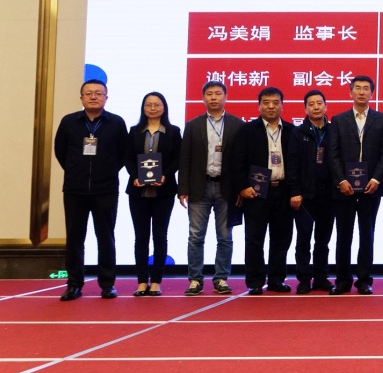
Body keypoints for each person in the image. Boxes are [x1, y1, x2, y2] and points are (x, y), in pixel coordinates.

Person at [53, 79, 131, 301]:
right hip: (75, 189)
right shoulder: (69, 122)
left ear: (106, 97)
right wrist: (75, 171)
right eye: (88, 93)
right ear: (81, 98)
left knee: (105, 237)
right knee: (75, 238)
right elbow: (60, 151)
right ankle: (74, 284)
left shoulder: (116, 122)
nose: (93, 97)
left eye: (98, 93)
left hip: (105, 189)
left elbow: (123, 154)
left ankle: (107, 284)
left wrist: (106, 171)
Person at [179, 80, 243, 296]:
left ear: (226, 97)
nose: (213, 97)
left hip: (227, 188)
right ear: (203, 98)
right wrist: (183, 188)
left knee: (225, 236)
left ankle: (221, 278)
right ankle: (195, 280)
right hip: (200, 187)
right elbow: (185, 159)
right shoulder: (193, 125)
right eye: (209, 94)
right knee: (195, 236)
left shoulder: (237, 124)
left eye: (218, 93)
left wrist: (240, 188)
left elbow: (242, 160)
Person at [329, 75, 383, 295]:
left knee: (367, 234)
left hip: (370, 188)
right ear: (350, 92)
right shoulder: (338, 120)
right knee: (343, 235)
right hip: (344, 188)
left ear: (372, 93)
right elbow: (333, 153)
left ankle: (364, 280)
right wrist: (341, 180)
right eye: (358, 88)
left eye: (366, 88)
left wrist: (376, 179)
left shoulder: (382, 119)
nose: (362, 92)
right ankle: (342, 280)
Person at [231, 87, 295, 295]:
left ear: (282, 105)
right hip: (256, 192)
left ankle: (276, 279)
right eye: (266, 102)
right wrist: (242, 187)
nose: (271, 106)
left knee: (281, 238)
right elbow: (237, 162)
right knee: (254, 238)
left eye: (275, 102)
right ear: (259, 105)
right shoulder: (248, 130)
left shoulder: (292, 131)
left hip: (283, 191)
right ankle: (255, 281)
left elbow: (298, 164)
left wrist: (296, 191)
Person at [123, 92, 181, 297]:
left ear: (164, 107)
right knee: (140, 237)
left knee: (160, 236)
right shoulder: (134, 131)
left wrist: (165, 175)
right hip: (138, 191)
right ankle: (141, 281)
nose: (153, 108)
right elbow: (127, 157)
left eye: (157, 104)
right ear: (143, 108)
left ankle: (156, 281)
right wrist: (134, 176)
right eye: (149, 105)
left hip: (164, 191)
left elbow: (178, 158)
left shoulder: (173, 131)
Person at [287, 89, 336, 294]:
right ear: (305, 108)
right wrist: (294, 191)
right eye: (311, 104)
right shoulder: (298, 133)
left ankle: (321, 277)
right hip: (305, 196)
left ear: (326, 106)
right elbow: (292, 165)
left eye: (319, 103)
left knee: (323, 240)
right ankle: (304, 278)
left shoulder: (334, 130)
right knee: (303, 239)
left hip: (329, 195)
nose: (316, 107)